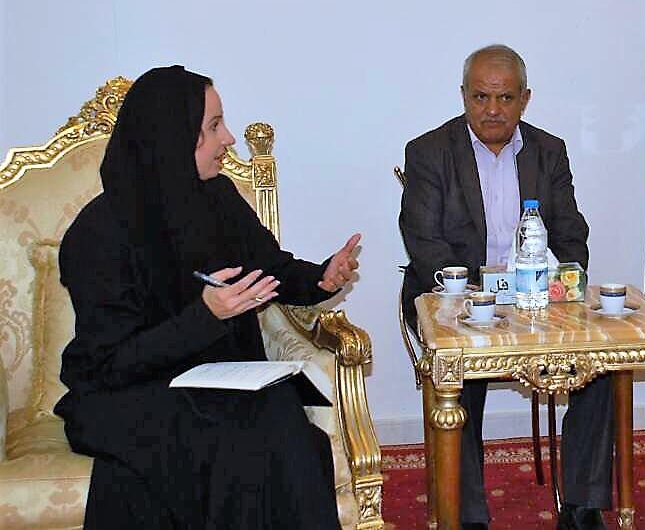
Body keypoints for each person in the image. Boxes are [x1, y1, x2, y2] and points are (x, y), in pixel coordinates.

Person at [54, 66, 361, 529]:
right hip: (128, 393)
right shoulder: (98, 235)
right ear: (173, 137)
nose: (229, 139)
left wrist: (322, 278)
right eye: (214, 126)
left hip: (216, 381)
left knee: (280, 414)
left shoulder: (218, 197)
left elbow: (269, 269)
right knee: (230, 440)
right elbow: (112, 363)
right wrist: (204, 316)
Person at [399, 45, 613, 530]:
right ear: (463, 96)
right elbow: (425, 244)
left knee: (600, 363)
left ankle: (582, 506)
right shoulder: (429, 152)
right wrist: (480, 297)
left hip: (534, 295)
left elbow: (571, 234)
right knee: (459, 372)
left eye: (505, 98)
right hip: (454, 296)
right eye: (480, 97)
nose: (492, 110)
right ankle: (469, 516)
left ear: (525, 99)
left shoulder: (549, 150)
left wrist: (557, 283)